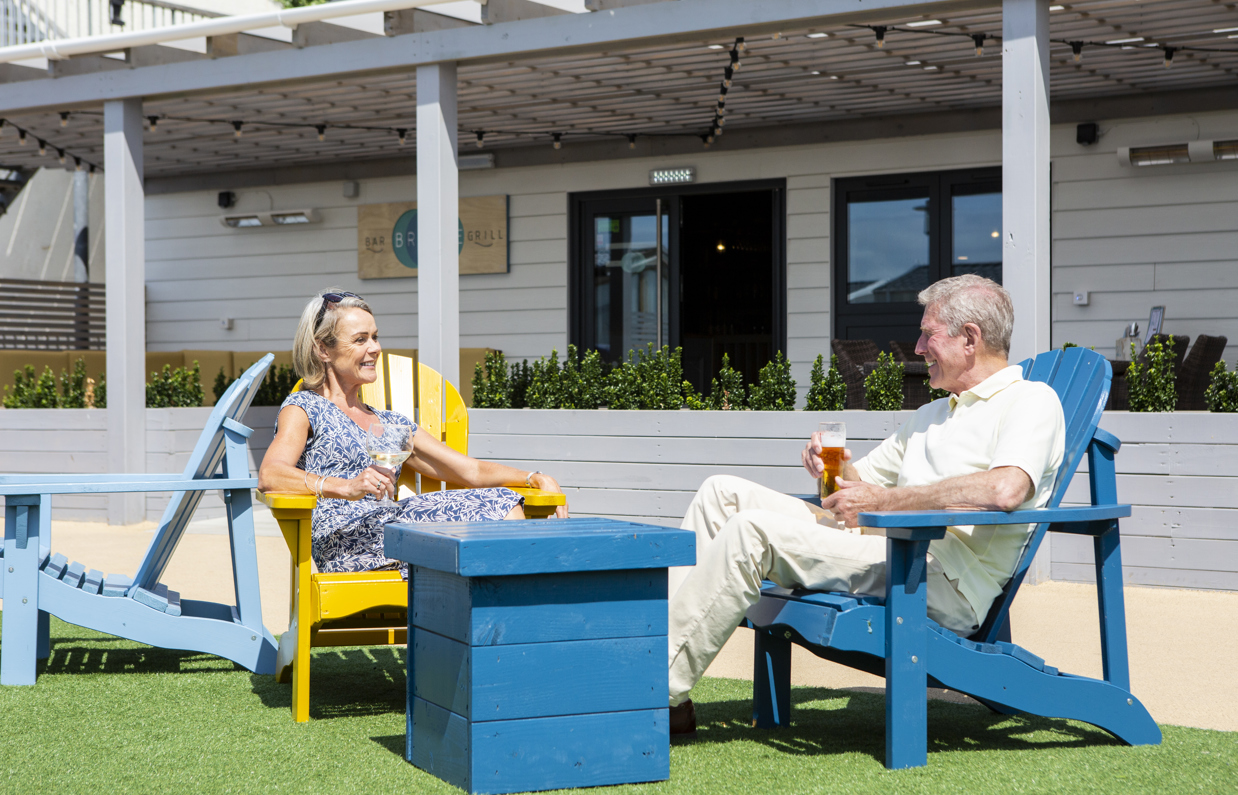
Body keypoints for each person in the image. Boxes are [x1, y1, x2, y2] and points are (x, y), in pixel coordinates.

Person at [665, 274, 1064, 735]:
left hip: (938, 575)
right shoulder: (933, 414)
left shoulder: (1031, 401)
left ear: (970, 338)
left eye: (927, 334)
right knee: (721, 492)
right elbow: (859, 491)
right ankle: (655, 656)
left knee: (750, 530)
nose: (917, 348)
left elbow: (1006, 489)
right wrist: (833, 466)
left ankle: (656, 691)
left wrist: (890, 501)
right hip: (885, 546)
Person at [258, 289, 568, 576]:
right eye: (360, 340)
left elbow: (470, 470)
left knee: (504, 503)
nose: (375, 348)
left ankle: (502, 621)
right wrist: (344, 486)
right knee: (495, 515)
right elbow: (271, 473)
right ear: (323, 349)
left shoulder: (390, 424)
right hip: (346, 541)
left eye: (375, 337)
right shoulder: (304, 408)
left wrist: (531, 477)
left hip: (395, 529)